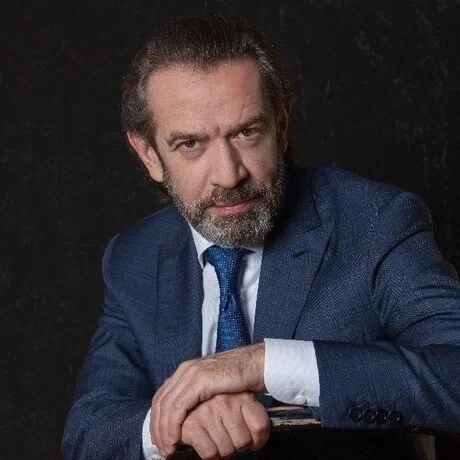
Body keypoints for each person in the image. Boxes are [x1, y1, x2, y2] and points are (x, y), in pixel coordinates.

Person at [62, 15, 460, 460]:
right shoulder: (135, 257)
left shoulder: (375, 223)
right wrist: (175, 424)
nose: (229, 175)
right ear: (149, 155)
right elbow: (88, 431)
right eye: (191, 144)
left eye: (247, 132)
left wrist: (260, 364)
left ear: (282, 125)